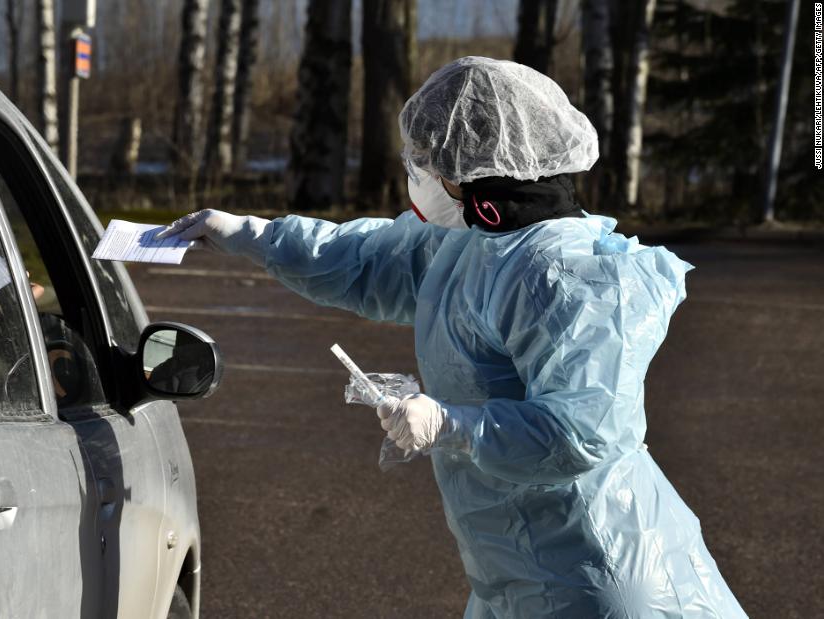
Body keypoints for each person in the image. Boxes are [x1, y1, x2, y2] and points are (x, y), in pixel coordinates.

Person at [158, 57, 746, 618]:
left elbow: (584, 432)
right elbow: (363, 260)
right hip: (512, 567)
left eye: (426, 158)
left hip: (596, 571)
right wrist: (246, 233)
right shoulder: (472, 240)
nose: (417, 171)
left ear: (475, 169)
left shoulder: (561, 274)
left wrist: (450, 423)